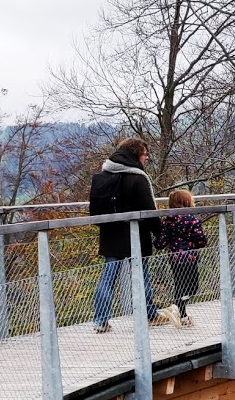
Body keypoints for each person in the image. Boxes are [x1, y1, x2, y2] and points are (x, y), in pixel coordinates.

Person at [89, 137, 170, 332]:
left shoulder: (106, 173)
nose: (146, 159)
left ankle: (100, 320)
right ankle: (150, 314)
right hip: (136, 236)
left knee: (108, 277)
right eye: (145, 155)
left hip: (111, 234)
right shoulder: (137, 177)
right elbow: (149, 210)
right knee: (142, 277)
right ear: (136, 155)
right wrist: (160, 234)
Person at [155, 189, 209, 328]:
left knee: (179, 285)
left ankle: (183, 316)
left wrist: (157, 242)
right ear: (187, 202)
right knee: (193, 287)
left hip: (174, 258)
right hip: (189, 258)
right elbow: (201, 240)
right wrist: (200, 243)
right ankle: (177, 306)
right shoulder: (192, 220)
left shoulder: (168, 220)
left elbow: (161, 243)